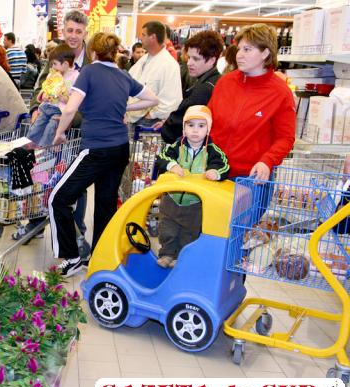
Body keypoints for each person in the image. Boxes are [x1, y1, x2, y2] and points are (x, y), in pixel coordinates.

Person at [49, 32, 159, 277]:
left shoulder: (89, 72)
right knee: (105, 204)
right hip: (119, 149)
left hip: (95, 149)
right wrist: (124, 106)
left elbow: (70, 109)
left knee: (58, 198)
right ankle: (99, 258)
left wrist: (59, 133)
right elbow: (152, 99)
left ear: (93, 52)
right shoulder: (123, 75)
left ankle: (71, 258)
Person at [18, 10, 90, 247]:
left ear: (85, 33)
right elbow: (41, 87)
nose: (73, 35)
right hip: (48, 125)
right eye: (69, 30)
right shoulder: (56, 57)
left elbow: (92, 102)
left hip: (76, 133)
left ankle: (76, 232)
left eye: (78, 31)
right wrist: (35, 108)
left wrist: (68, 119)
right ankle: (36, 222)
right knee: (41, 171)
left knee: (75, 182)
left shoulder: (90, 64)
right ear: (63, 30)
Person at [208, 24, 295, 182]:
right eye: (239, 49)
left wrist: (268, 161)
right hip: (214, 170)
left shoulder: (280, 93)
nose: (239, 55)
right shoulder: (225, 82)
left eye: (247, 49)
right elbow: (208, 119)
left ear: (265, 53)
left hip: (251, 177)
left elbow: (285, 138)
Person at [154, 105, 229, 268]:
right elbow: (162, 157)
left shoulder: (213, 151)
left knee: (189, 233)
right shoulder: (176, 146)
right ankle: (167, 254)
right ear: (184, 128)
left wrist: (215, 172)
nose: (195, 130)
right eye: (190, 125)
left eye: (201, 126)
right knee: (167, 229)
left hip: (195, 203)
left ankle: (182, 257)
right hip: (171, 199)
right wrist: (172, 165)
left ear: (208, 129)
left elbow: (224, 165)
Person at [154, 30, 224, 143]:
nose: (189, 63)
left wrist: (166, 127)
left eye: (196, 59)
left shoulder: (205, 89)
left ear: (212, 60)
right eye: (189, 57)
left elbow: (174, 127)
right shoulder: (217, 81)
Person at [127, 21, 182, 127]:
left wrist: (150, 116)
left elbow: (172, 101)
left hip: (150, 122)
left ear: (153, 37)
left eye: (143, 35)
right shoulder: (144, 59)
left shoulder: (169, 64)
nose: (140, 38)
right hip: (133, 118)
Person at [26, 44, 78, 147]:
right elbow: (44, 88)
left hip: (59, 111)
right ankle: (29, 147)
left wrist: (64, 98)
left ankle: (43, 150)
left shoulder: (75, 77)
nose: (52, 67)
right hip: (46, 107)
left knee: (50, 130)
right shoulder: (52, 74)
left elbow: (75, 99)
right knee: (36, 127)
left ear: (65, 64)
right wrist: (43, 95)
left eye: (55, 64)